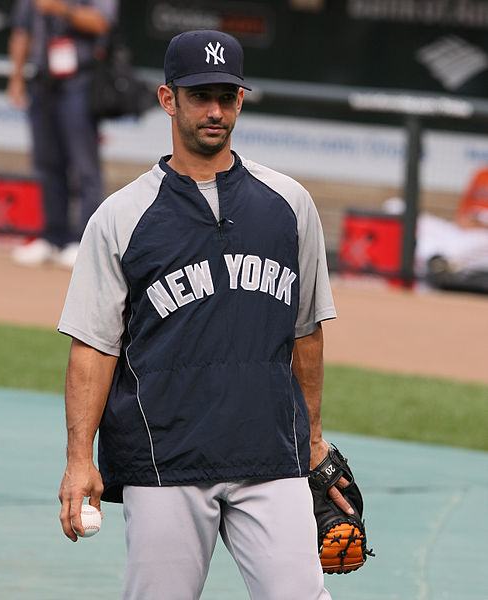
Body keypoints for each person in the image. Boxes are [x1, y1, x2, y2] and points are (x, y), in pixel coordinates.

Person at [58, 29, 350, 599]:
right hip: (163, 460)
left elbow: (306, 331)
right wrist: (78, 460)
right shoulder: (122, 216)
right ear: (168, 99)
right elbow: (94, 346)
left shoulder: (288, 205)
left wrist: (312, 441)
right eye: (199, 96)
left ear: (241, 100)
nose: (213, 110)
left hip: (270, 455)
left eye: (226, 95)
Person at [7, 0, 118, 268]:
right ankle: (52, 237)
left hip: (80, 81)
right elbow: (22, 31)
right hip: (42, 81)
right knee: (46, 163)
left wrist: (61, 9)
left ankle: (84, 241)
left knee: (84, 167)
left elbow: (102, 22)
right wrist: (17, 75)